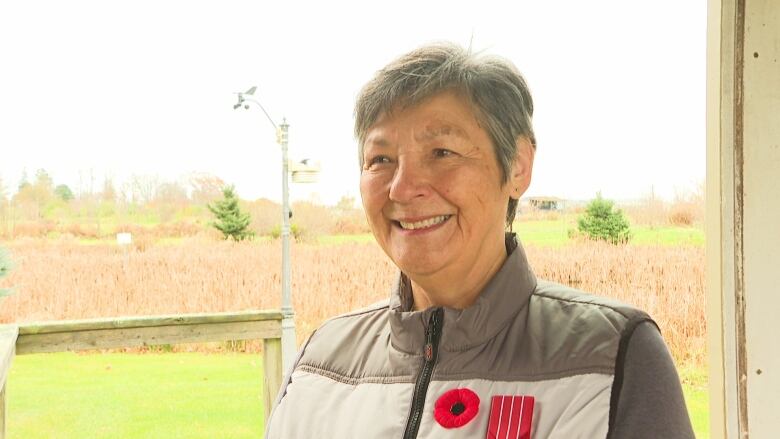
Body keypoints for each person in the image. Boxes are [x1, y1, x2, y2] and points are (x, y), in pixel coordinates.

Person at [265, 43, 694, 438]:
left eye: (442, 153)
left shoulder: (613, 356)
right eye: (381, 160)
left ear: (518, 167)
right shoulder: (321, 363)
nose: (402, 187)